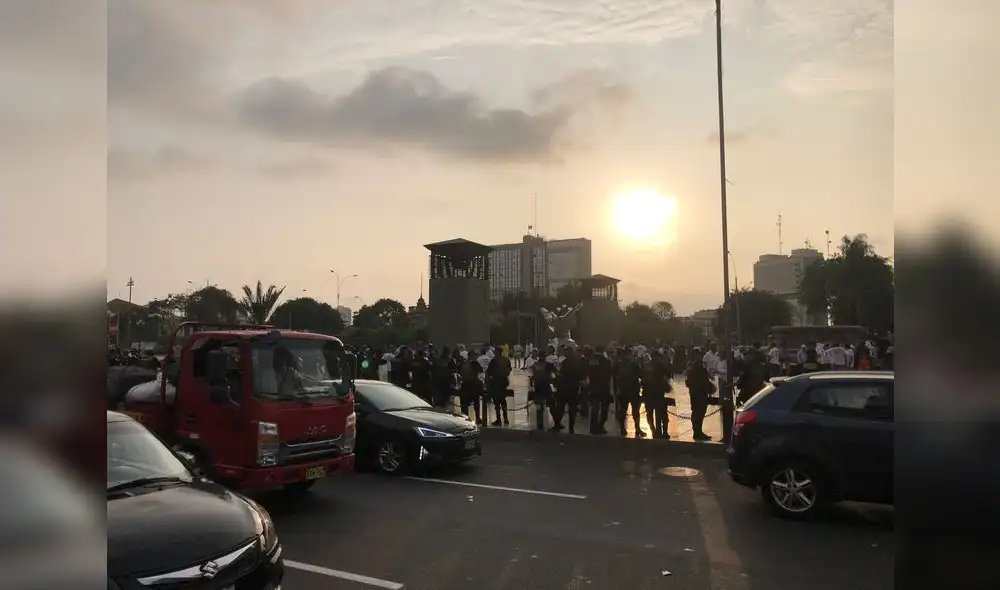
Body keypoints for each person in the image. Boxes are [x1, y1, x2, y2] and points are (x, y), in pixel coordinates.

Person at [613, 347, 644, 437]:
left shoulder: (618, 364)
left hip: (622, 390)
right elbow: (641, 375)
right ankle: (637, 429)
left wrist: (616, 389)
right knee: (635, 411)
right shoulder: (634, 364)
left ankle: (623, 428)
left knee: (622, 410)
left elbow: (614, 377)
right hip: (633, 390)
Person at [550, 346, 582, 433]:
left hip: (563, 388)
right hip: (573, 388)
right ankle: (571, 428)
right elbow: (581, 374)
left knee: (560, 407)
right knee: (572, 409)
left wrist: (555, 382)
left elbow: (555, 371)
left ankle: (557, 425)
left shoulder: (561, 360)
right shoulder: (577, 361)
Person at [684, 354, 714, 441]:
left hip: (693, 394)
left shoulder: (690, 371)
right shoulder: (702, 371)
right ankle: (699, 432)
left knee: (695, 413)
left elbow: (687, 383)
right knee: (700, 413)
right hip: (701, 395)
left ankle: (696, 431)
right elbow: (706, 383)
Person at [586, 345, 614, 434]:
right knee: (604, 407)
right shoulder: (607, 361)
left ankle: (593, 427)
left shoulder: (591, 360)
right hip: (604, 387)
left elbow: (589, 373)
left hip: (593, 386)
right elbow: (609, 375)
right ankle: (601, 426)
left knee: (595, 407)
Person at [529, 350, 555, 430]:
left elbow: (532, 377)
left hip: (538, 387)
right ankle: (556, 422)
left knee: (539, 407)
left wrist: (532, 383)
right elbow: (555, 374)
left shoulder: (535, 365)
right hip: (546, 387)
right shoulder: (549, 365)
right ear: (545, 355)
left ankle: (540, 424)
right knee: (551, 405)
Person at [486, 350, 512, 425]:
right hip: (504, 381)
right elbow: (509, 370)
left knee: (496, 401)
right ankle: (506, 418)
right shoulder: (506, 359)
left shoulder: (494, 361)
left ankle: (499, 419)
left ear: (496, 353)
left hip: (496, 382)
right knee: (503, 400)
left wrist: (488, 383)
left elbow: (489, 372)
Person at [458, 353, 484, 424]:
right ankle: (477, 418)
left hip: (465, 384)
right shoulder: (475, 363)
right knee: (476, 401)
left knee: (464, 403)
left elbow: (459, 372)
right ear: (472, 356)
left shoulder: (463, 364)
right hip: (474, 384)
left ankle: (465, 418)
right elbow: (481, 371)